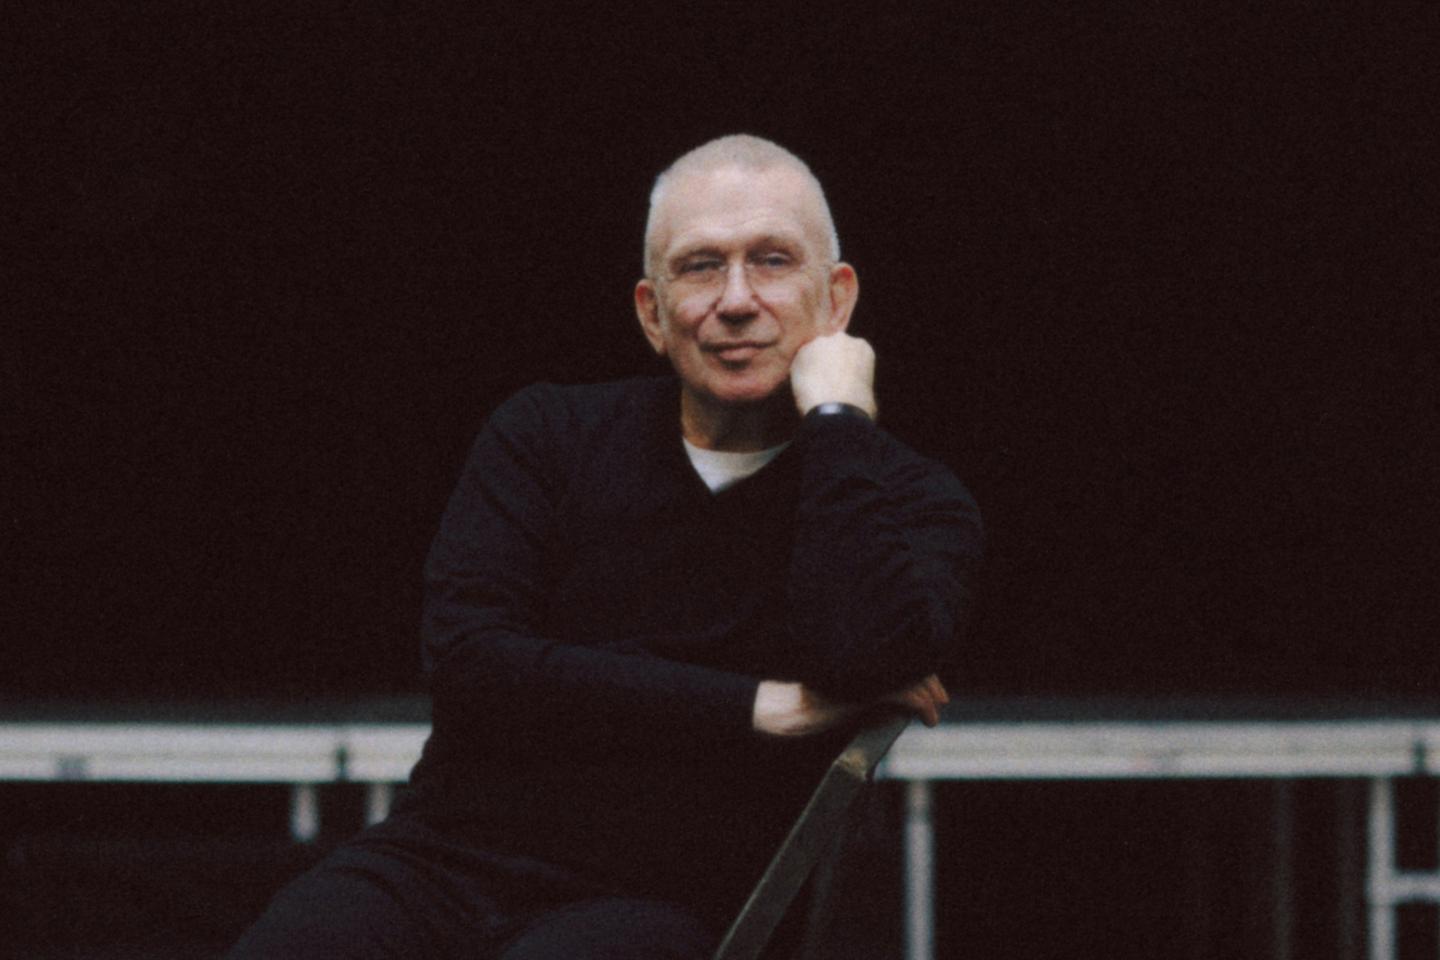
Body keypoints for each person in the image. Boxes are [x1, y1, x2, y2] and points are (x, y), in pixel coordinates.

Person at [228, 134, 983, 959]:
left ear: (837, 300)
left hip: (666, 900)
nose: (736, 300)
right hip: (445, 861)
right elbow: (473, 663)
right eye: (700, 267)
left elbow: (863, 653)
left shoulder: (906, 499)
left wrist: (838, 419)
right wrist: (759, 707)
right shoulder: (548, 436)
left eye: (772, 261)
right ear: (652, 314)